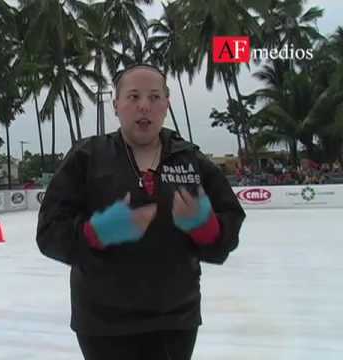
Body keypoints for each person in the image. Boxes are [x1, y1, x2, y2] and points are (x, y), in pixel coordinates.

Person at [36, 63, 246, 360]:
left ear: (166, 105)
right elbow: (48, 233)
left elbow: (229, 224)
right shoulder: (87, 157)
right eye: (133, 97)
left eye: (154, 97)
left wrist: (208, 229)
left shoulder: (190, 160)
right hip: (103, 323)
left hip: (175, 320)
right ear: (116, 106)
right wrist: (94, 234)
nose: (144, 106)